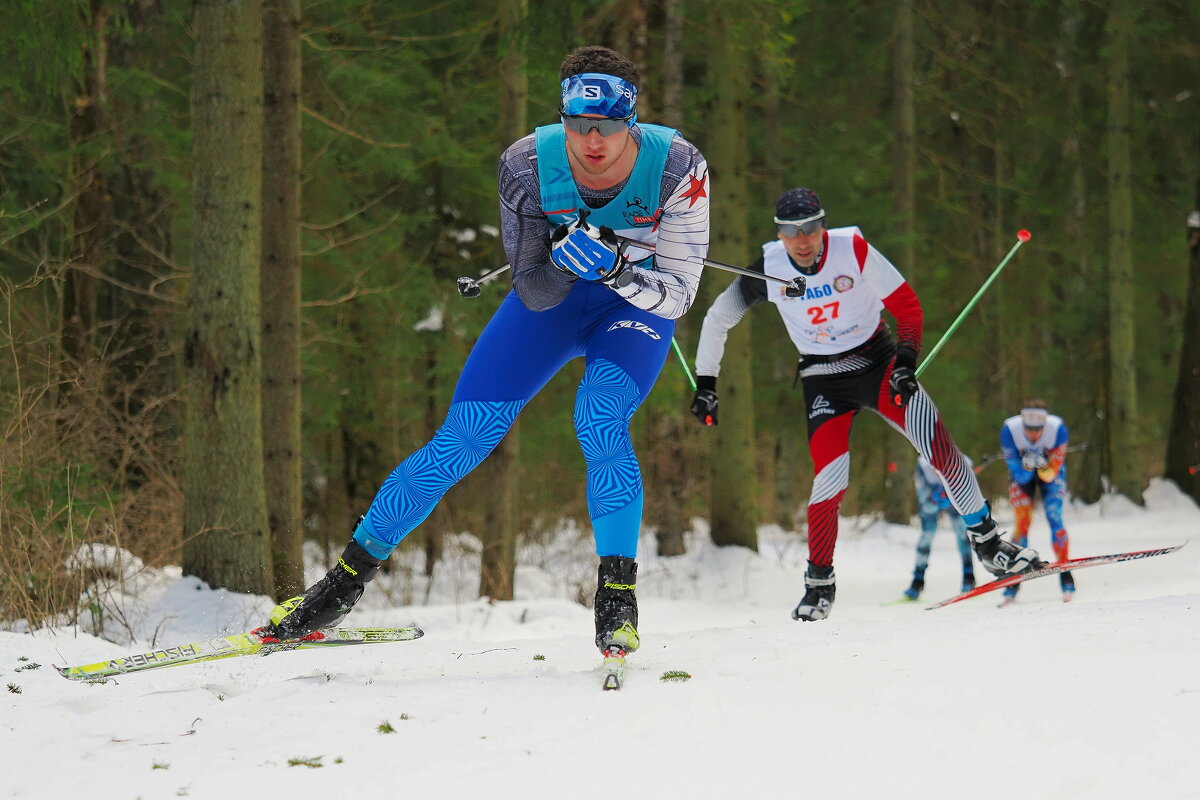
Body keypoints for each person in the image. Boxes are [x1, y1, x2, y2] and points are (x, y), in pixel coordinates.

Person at [259, 47, 711, 661]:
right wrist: (561, 257)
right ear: (563, 118)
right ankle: (340, 587)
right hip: (554, 303)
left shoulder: (677, 165)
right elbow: (530, 285)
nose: (592, 142)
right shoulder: (528, 163)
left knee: (599, 418)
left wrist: (617, 269)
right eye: (579, 126)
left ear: (632, 122)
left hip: (635, 306)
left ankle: (616, 598)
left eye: (607, 127)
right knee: (465, 435)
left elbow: (679, 294)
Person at [689, 186, 1041, 621]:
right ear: (778, 234)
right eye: (790, 231)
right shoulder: (770, 268)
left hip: (878, 363)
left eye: (810, 228)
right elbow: (718, 317)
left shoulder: (851, 250)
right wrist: (706, 381)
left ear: (823, 226)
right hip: (823, 381)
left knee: (943, 451)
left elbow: (908, 308)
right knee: (829, 483)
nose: (802, 240)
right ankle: (818, 586)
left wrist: (905, 364)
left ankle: (989, 545)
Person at [999, 400, 1074, 603]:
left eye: (1038, 430)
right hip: (1021, 476)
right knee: (1022, 522)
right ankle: (1013, 581)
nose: (1033, 435)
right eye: (1029, 430)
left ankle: (1066, 576)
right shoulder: (1010, 430)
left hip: (1050, 474)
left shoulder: (1057, 429)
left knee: (1054, 516)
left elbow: (1052, 472)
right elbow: (1017, 473)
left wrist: (1041, 466)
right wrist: (1025, 466)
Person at [902, 455, 976, 600]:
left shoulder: (963, 465)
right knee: (927, 535)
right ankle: (917, 581)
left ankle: (969, 577)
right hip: (931, 500)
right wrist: (935, 497)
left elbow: (968, 495)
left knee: (962, 532)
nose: (940, 472)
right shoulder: (922, 469)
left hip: (954, 503)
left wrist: (950, 496)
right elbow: (925, 502)